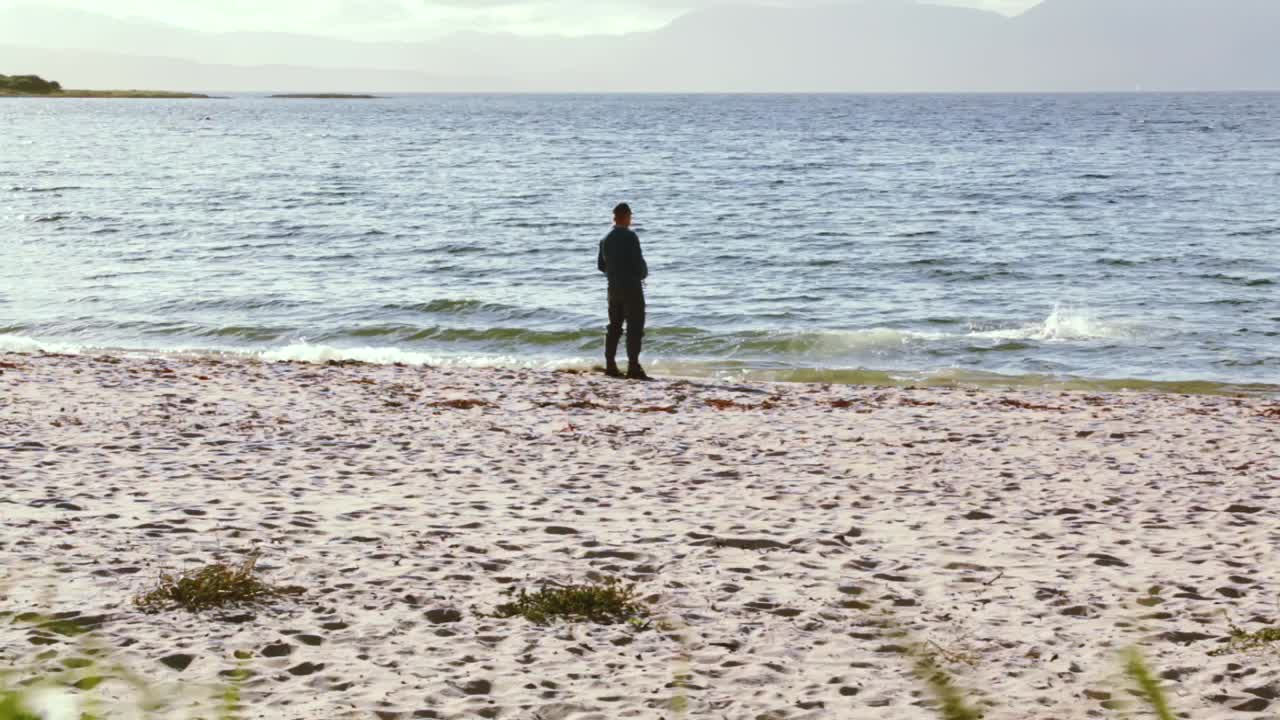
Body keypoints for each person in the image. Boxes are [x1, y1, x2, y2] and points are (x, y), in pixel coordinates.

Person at [597, 202, 651, 380]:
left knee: (614, 327)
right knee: (634, 327)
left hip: (613, 289)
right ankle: (633, 366)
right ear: (626, 216)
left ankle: (610, 365)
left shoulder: (605, 239)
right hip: (632, 288)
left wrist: (614, 274)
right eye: (630, 216)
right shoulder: (630, 237)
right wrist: (643, 274)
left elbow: (600, 266)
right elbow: (639, 263)